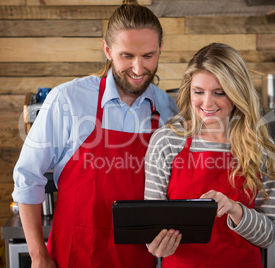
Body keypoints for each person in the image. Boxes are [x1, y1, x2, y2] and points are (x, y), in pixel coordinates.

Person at [12, 0, 178, 267]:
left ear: (160, 50)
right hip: (74, 254)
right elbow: (27, 178)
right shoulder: (68, 99)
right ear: (107, 50)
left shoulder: (169, 109)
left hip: (137, 259)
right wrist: (38, 256)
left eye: (148, 56)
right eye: (127, 56)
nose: (138, 69)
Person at [144, 42, 275, 268]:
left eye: (219, 93)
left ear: (238, 92)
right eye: (198, 92)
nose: (207, 103)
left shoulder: (260, 148)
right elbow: (151, 227)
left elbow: (268, 236)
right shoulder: (167, 141)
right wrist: (155, 245)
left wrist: (234, 208)